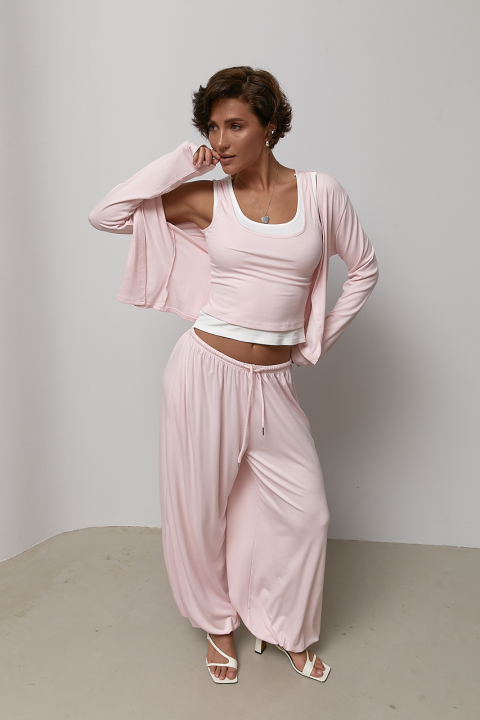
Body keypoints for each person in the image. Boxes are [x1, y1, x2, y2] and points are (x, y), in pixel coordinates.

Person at [88, 66, 379, 685]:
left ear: (269, 127)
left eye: (235, 126)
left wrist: (316, 338)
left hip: (273, 384)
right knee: (199, 510)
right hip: (204, 372)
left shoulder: (321, 192)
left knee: (305, 512)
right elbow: (107, 215)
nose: (220, 141)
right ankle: (217, 624)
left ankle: (286, 625)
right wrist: (179, 164)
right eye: (212, 128)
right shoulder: (206, 198)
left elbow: (365, 268)